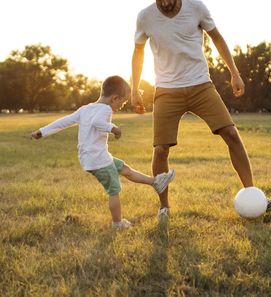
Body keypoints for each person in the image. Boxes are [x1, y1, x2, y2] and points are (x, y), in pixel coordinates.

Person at [131, 0, 271, 218]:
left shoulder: (196, 7)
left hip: (201, 85)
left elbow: (217, 38)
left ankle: (253, 195)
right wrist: (134, 88)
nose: (164, 3)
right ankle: (164, 206)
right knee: (161, 148)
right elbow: (138, 52)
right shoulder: (145, 16)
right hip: (166, 90)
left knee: (231, 133)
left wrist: (235, 72)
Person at [31, 76, 175, 229]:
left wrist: (42, 131)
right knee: (114, 189)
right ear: (115, 98)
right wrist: (113, 128)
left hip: (92, 157)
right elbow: (97, 123)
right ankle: (117, 223)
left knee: (124, 168)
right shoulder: (105, 109)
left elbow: (64, 121)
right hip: (98, 159)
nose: (122, 105)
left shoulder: (85, 109)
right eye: (123, 102)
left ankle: (156, 182)